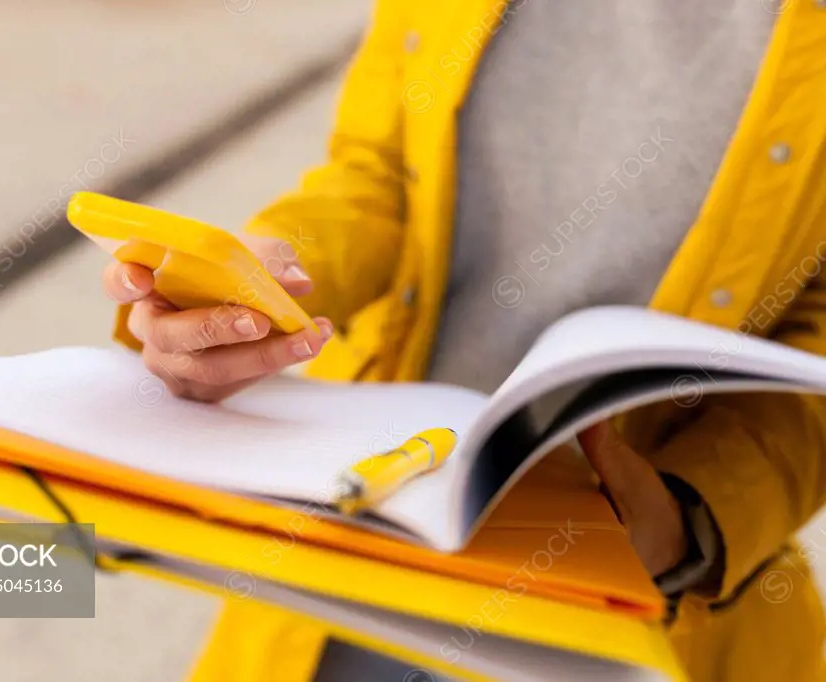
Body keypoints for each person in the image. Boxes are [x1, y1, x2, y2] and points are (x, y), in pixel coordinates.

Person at [103, 1, 826, 680]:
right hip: (365, 538)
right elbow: (381, 173)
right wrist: (265, 290)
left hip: (633, 597)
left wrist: (687, 519)